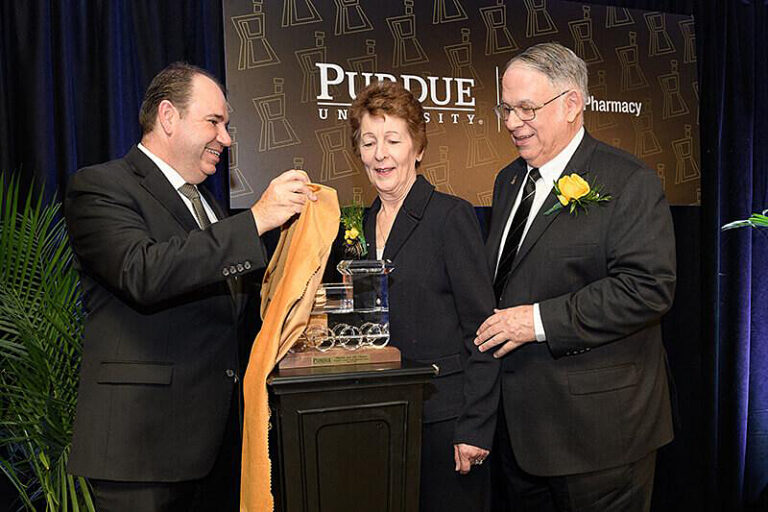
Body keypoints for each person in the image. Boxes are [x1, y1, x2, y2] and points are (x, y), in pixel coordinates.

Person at [64, 62, 316, 511]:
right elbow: (142, 272)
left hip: (213, 451)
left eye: (228, 125)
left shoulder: (208, 206)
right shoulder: (101, 186)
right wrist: (256, 220)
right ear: (168, 116)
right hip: (140, 455)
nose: (227, 138)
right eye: (214, 122)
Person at [474, 42, 676, 512]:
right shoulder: (508, 181)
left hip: (601, 439)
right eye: (506, 108)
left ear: (572, 104)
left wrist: (537, 322)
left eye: (527, 108)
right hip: (521, 435)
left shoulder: (629, 181)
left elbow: (647, 289)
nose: (511, 123)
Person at [347, 80, 500, 512]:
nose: (381, 154)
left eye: (393, 140)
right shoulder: (358, 223)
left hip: (445, 422)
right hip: (382, 420)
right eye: (369, 141)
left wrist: (474, 427)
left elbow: (483, 329)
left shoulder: (450, 216)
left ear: (417, 148)